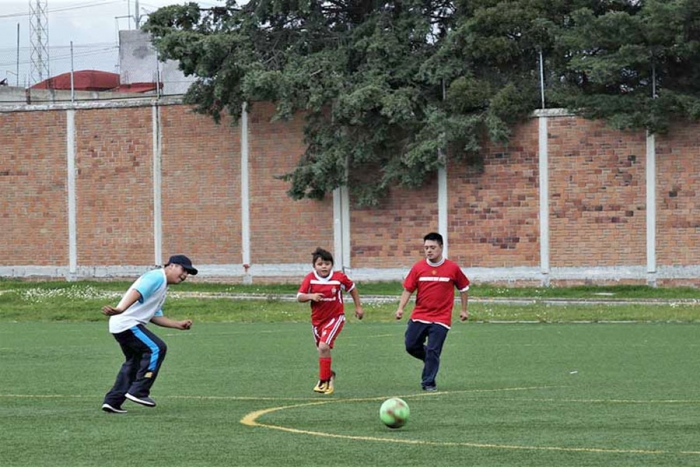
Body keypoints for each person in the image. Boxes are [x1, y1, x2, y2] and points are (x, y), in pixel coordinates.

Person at [101, 254, 198, 414]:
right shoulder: (156, 277)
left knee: (134, 363)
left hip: (123, 325)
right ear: (171, 266)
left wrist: (177, 324)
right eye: (184, 270)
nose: (185, 275)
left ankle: (113, 401)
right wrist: (121, 309)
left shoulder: (162, 285)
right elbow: (137, 291)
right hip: (128, 323)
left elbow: (154, 315)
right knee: (157, 348)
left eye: (188, 273)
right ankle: (139, 391)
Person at [395, 232, 470, 391]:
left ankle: (428, 383)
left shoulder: (452, 268)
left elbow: (464, 288)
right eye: (426, 247)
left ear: (441, 247)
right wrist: (401, 308)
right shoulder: (418, 268)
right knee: (411, 345)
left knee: (434, 350)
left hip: (441, 318)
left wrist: (464, 310)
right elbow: (408, 289)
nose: (429, 250)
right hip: (420, 315)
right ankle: (430, 359)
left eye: (432, 247)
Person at [297, 247, 364, 395]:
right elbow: (300, 296)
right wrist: (311, 296)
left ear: (331, 265)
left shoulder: (338, 278)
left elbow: (352, 288)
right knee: (322, 350)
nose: (324, 267)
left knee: (323, 346)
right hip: (317, 321)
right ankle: (329, 375)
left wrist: (358, 307)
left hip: (335, 318)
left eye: (327, 264)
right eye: (320, 264)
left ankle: (323, 381)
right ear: (314, 266)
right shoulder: (310, 278)